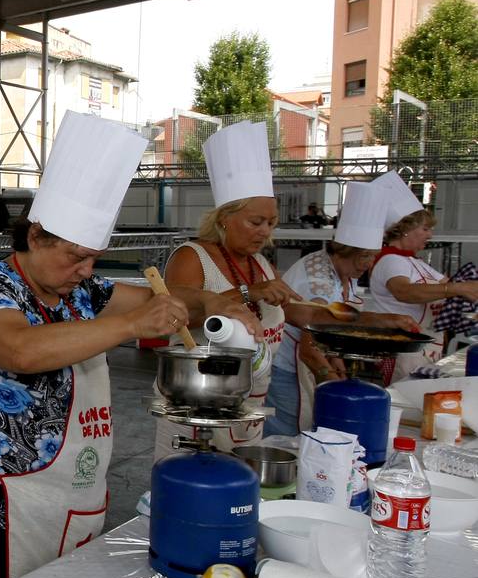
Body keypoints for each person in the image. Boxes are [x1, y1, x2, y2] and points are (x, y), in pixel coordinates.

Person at [0, 112, 255, 578]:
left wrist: (210, 302)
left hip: (74, 487)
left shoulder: (82, 290)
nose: (86, 269)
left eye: (94, 257)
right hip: (1, 498)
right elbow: (19, 350)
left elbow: (164, 298)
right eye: (75, 257)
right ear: (34, 236)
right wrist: (131, 325)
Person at [157, 122, 343, 456]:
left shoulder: (259, 263)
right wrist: (248, 293)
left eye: (271, 222)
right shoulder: (193, 256)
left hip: (249, 406)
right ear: (224, 218)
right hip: (195, 405)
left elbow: (292, 310)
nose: (264, 231)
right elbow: (175, 314)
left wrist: (347, 320)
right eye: (255, 222)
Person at [265, 182, 417, 435]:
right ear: (346, 250)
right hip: (286, 370)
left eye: (371, 257)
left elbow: (329, 334)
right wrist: (337, 389)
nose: (367, 265)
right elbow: (311, 348)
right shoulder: (318, 283)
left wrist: (340, 371)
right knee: (288, 438)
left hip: (302, 365)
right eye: (364, 257)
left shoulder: (344, 270)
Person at [367, 171, 478, 381]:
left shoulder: (415, 263)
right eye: (425, 229)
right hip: (404, 349)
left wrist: (467, 287)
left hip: (427, 346)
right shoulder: (391, 261)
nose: (430, 235)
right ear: (404, 230)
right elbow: (404, 292)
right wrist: (459, 288)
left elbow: (453, 286)